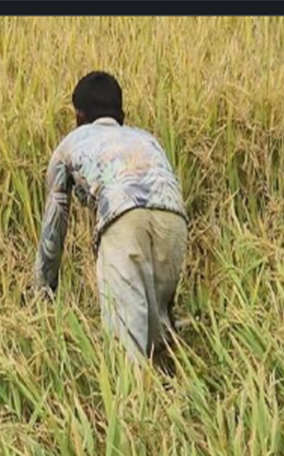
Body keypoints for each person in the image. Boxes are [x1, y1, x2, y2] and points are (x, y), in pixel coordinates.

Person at [35, 71, 189, 364]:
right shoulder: (146, 139)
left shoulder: (71, 143)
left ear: (78, 116)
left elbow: (53, 230)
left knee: (126, 350)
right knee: (159, 344)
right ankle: (174, 401)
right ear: (122, 115)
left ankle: (128, 407)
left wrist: (43, 290)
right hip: (174, 219)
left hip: (124, 217)